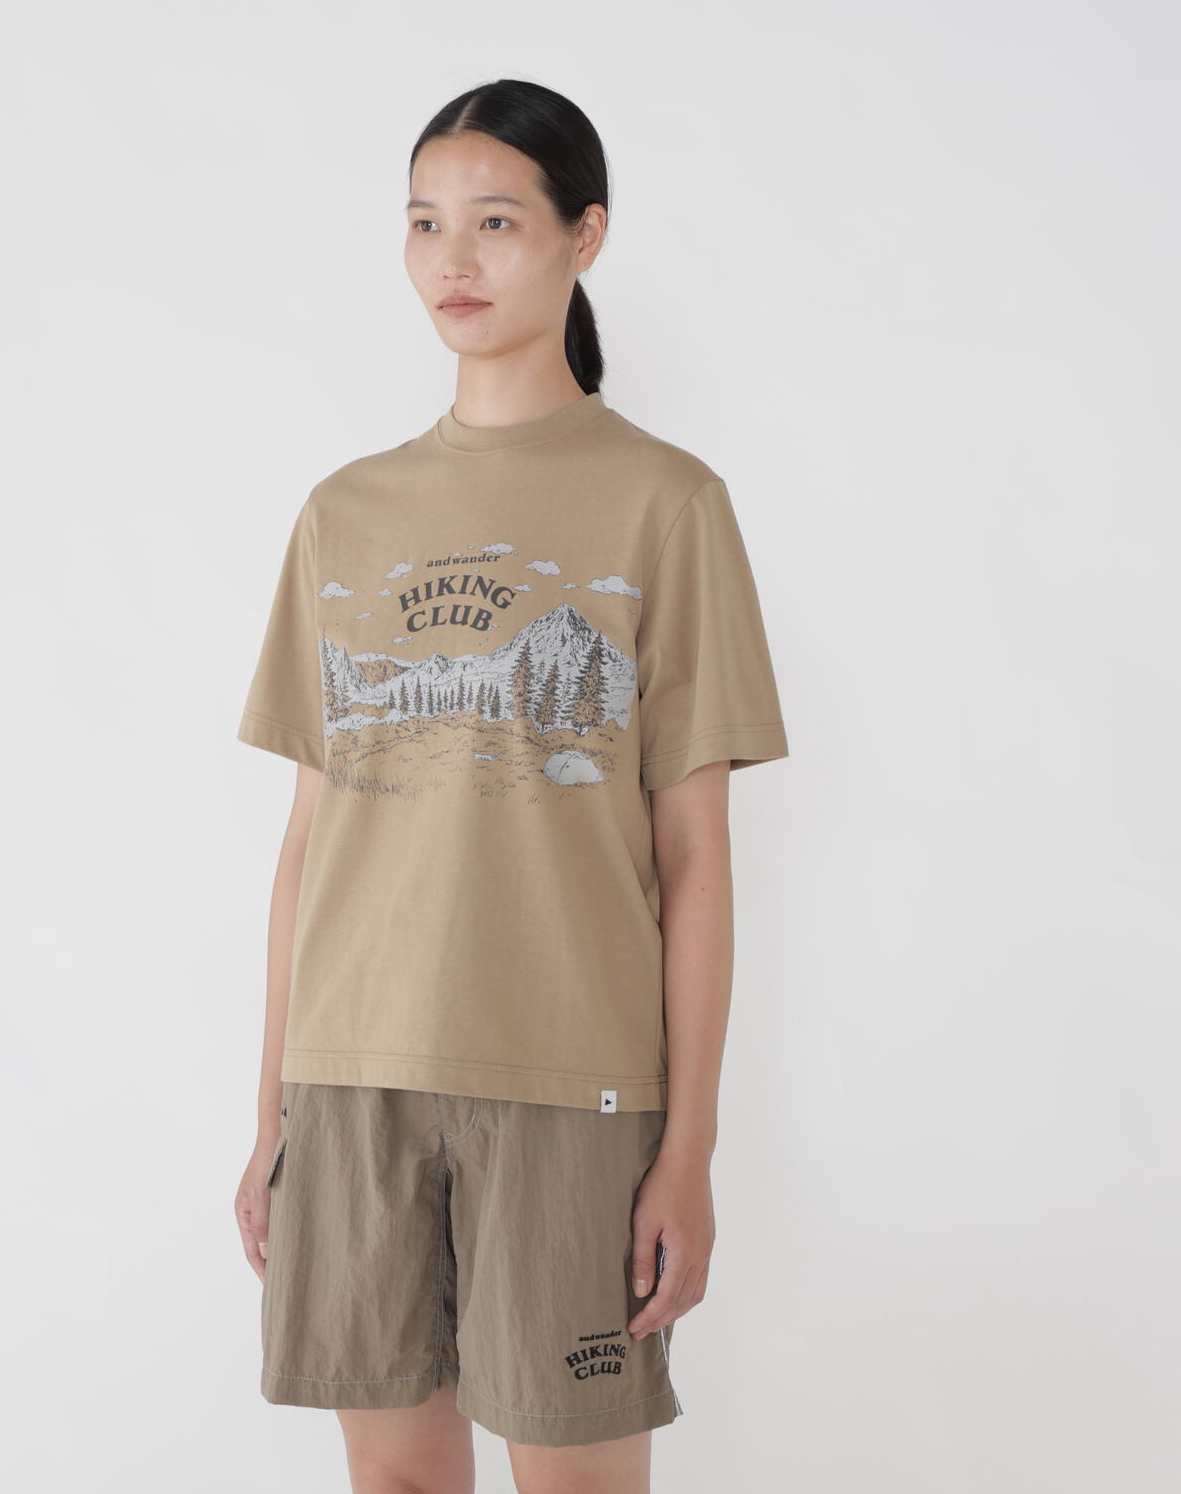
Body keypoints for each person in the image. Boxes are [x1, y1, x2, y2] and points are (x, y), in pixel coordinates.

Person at [232, 78, 790, 1494]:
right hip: (353, 1081)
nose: (453, 260)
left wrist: (688, 1151)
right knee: (396, 1482)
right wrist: (273, 1120)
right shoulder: (344, 512)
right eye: (425, 224)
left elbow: (695, 862)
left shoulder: (668, 503)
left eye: (494, 221)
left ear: (583, 236)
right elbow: (308, 845)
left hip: (571, 1089)